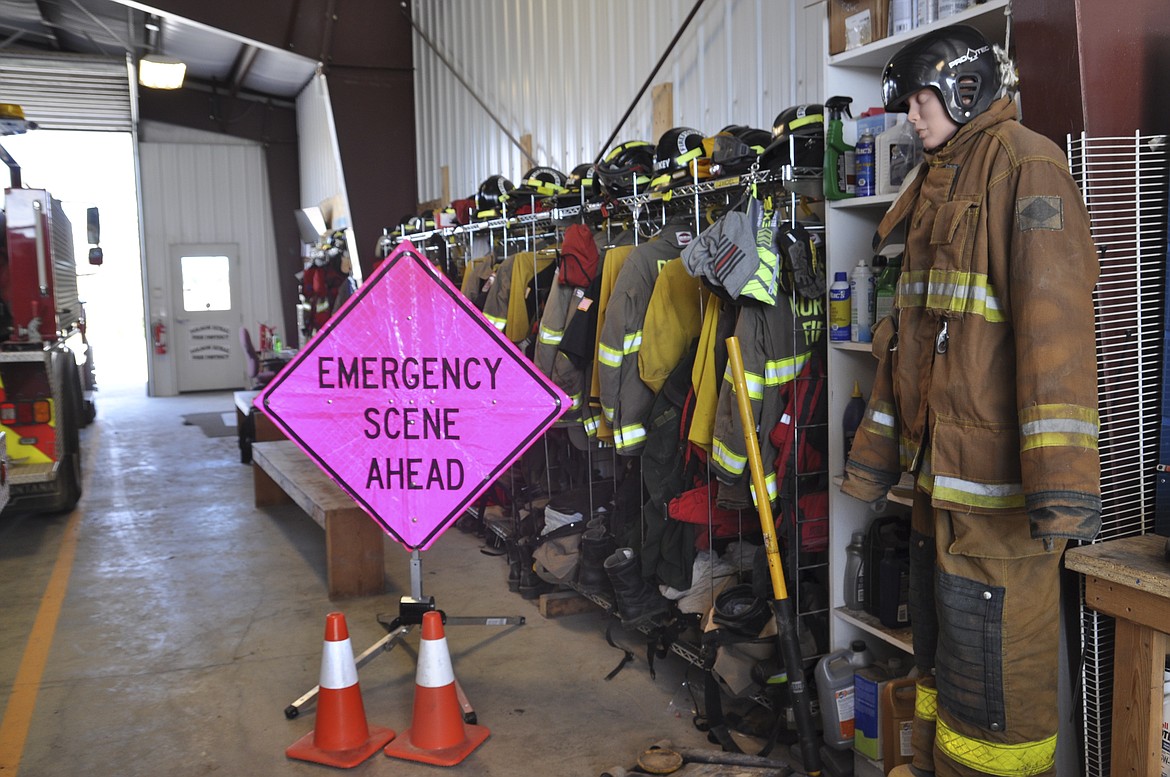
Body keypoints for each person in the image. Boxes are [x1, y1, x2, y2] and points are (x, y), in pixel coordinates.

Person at [841, 25, 1100, 777]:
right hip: (939, 490)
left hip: (999, 503)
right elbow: (907, 343)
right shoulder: (939, 179)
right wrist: (877, 464)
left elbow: (1055, 338)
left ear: (966, 88)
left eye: (923, 101)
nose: (912, 119)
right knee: (944, 674)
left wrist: (1059, 492)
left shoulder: (1028, 168)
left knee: (997, 704)